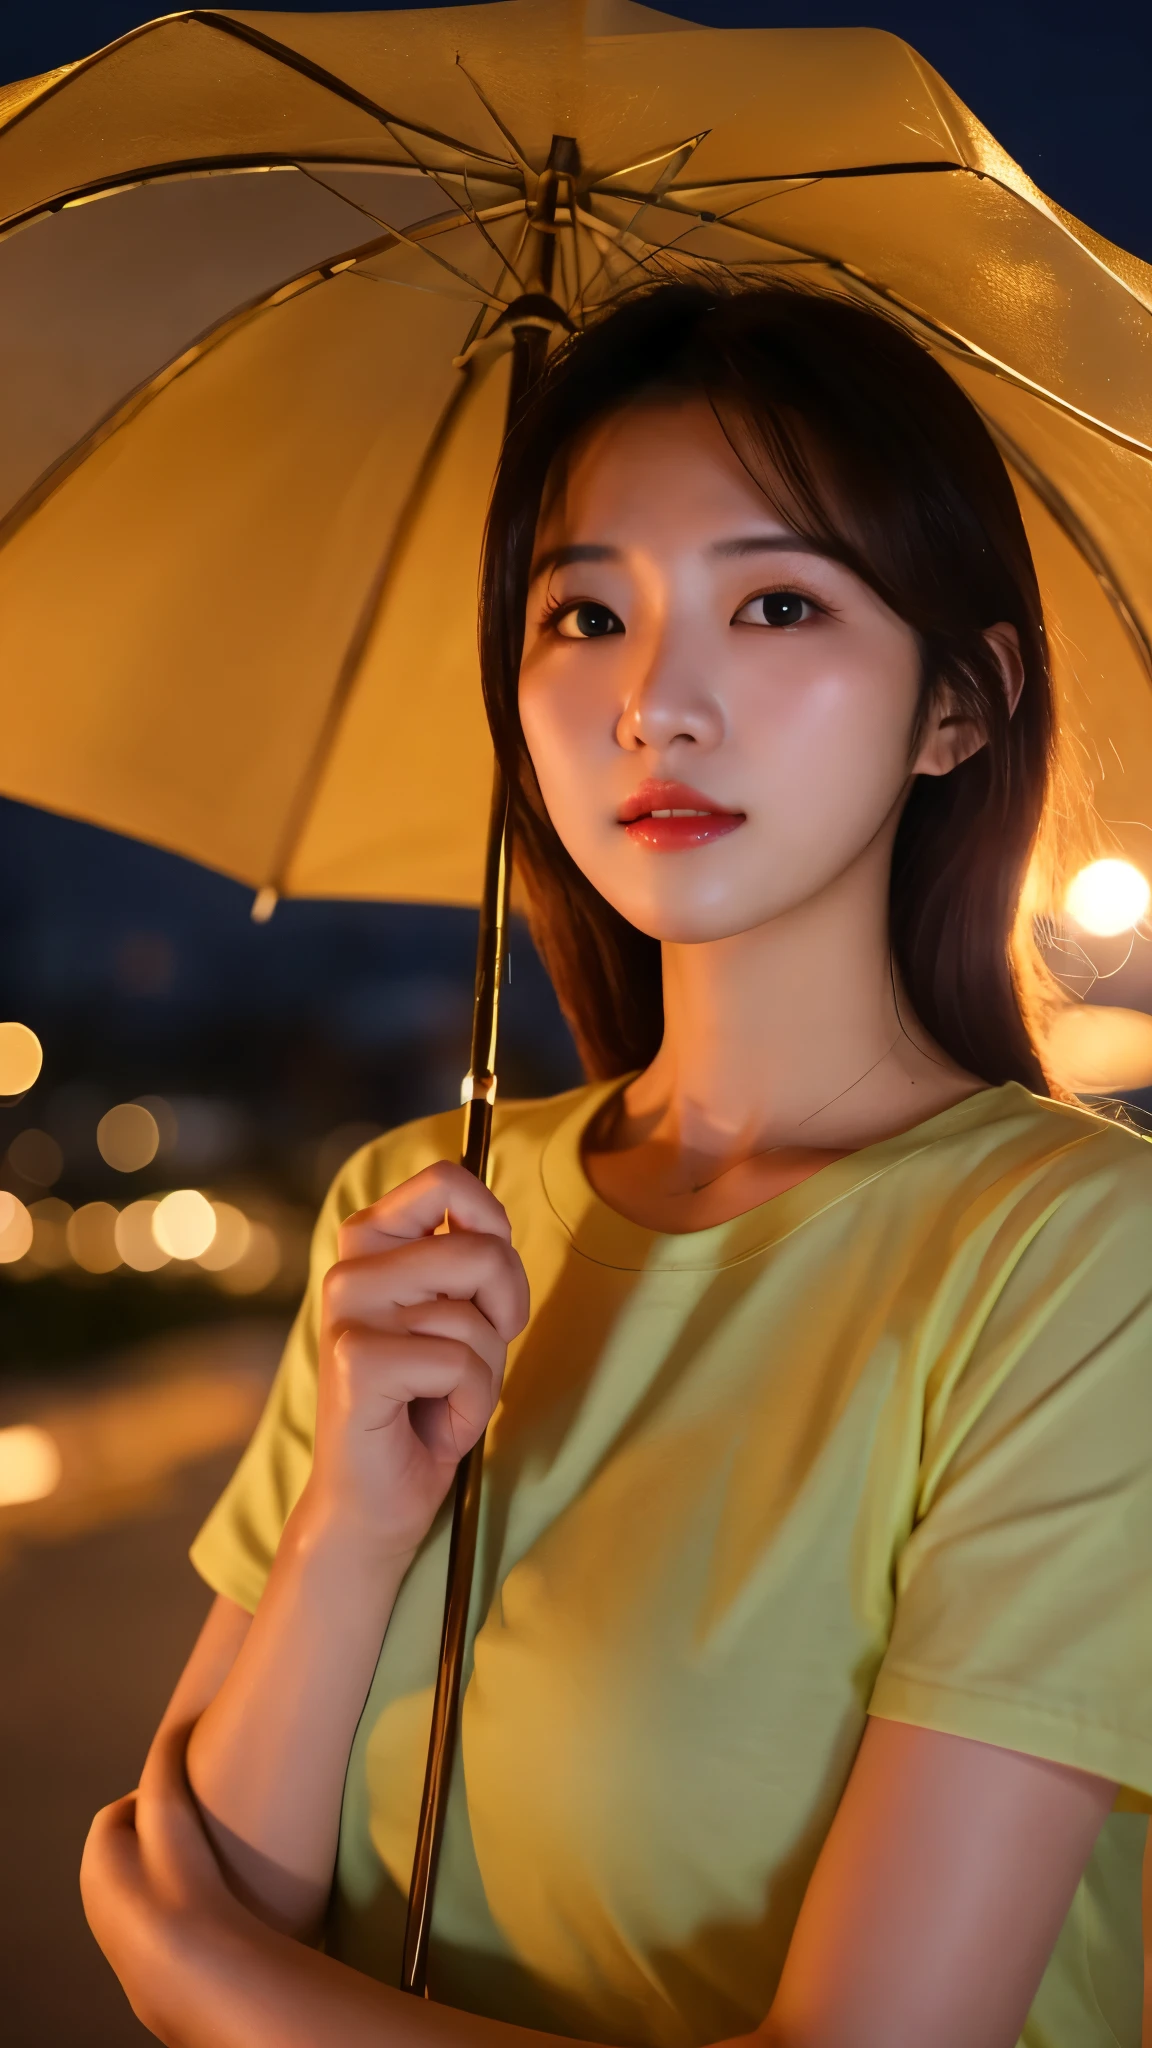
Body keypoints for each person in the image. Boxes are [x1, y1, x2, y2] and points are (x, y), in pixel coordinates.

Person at [81, 282, 1152, 2048]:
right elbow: (234, 1871)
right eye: (586, 611)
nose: (656, 701)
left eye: (778, 601)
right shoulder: (418, 1211)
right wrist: (353, 1526)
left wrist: (223, 1993)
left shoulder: (1071, 1264)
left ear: (960, 703)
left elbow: (186, 1941)